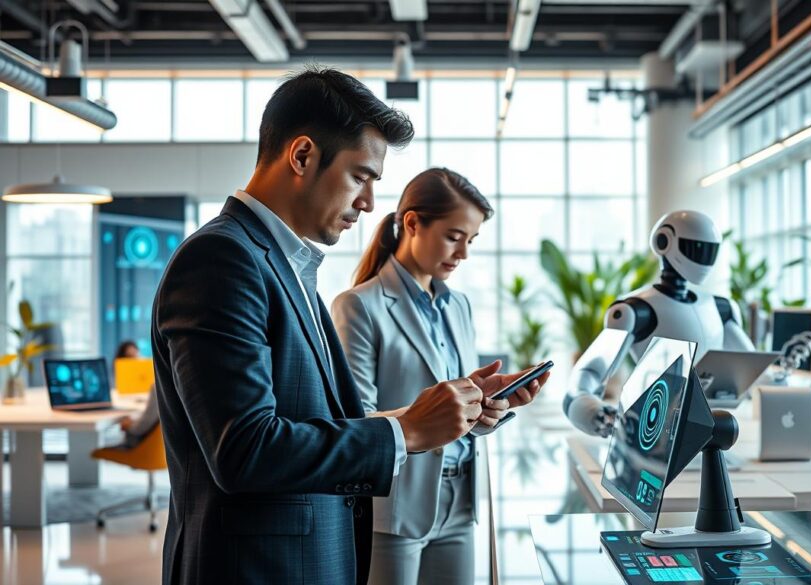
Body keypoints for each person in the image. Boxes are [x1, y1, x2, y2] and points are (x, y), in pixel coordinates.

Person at [151, 68, 504, 585]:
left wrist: (438, 417)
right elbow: (245, 449)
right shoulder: (221, 259)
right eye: (361, 176)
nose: (368, 203)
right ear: (302, 156)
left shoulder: (283, 264)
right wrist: (405, 431)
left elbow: (320, 419)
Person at [331, 168, 548, 585]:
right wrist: (435, 411)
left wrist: (489, 405)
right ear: (412, 223)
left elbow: (460, 417)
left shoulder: (459, 306)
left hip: (460, 501)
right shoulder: (360, 306)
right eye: (454, 236)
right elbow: (355, 423)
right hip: (395, 506)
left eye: (472, 240)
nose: (463, 253)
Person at [113, 340, 159, 448]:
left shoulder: (155, 387)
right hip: (156, 447)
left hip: (141, 445)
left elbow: (143, 425)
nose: (134, 359)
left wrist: (130, 426)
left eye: (136, 355)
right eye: (129, 356)